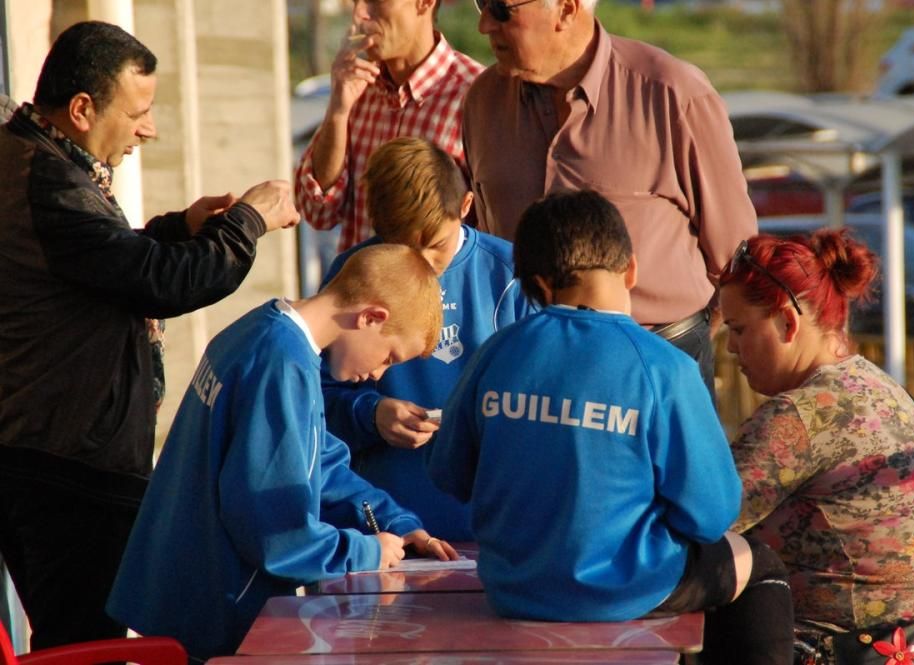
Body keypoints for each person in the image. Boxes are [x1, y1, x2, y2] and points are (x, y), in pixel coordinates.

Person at [0, 21, 299, 651]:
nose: (149, 129)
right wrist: (248, 221)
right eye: (137, 112)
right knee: (84, 648)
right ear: (81, 109)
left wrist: (181, 225)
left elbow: (105, 262)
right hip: (66, 465)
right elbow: (161, 282)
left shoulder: (41, 159)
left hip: (54, 455)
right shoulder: (45, 180)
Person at [428, 190, 794, 665]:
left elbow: (448, 474)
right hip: (627, 588)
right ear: (632, 270)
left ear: (537, 283)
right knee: (761, 566)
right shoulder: (663, 367)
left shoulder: (497, 351)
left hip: (512, 587)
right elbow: (712, 514)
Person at [107, 244, 459, 662]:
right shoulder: (282, 362)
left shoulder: (266, 331)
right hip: (214, 617)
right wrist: (365, 550)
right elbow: (276, 535)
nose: (379, 374)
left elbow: (318, 460)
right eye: (388, 356)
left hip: (189, 596)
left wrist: (394, 523)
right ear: (371, 316)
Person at [461, 0, 757, 397]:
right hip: (528, 368)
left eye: (500, 9)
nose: (483, 25)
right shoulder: (481, 102)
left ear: (566, 8)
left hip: (658, 364)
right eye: (481, 4)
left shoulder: (673, 93)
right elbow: (481, 243)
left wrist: (686, 341)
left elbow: (736, 257)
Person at [719, 230, 914, 664]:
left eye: (738, 329)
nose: (730, 347)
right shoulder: (878, 387)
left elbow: (696, 523)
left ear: (787, 322)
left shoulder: (803, 416)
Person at [321, 137, 531, 540]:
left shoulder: (510, 274)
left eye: (435, 245)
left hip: (491, 523)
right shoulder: (356, 271)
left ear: (466, 207)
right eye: (401, 247)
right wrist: (371, 414)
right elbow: (317, 399)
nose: (421, 264)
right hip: (385, 522)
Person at [293, 0, 483, 254]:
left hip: (435, 291)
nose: (359, 15)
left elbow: (491, 236)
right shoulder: (357, 86)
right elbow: (316, 212)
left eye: (375, 1)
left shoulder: (476, 96)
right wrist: (338, 111)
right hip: (356, 288)